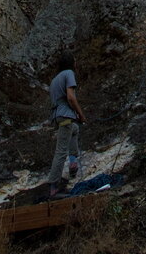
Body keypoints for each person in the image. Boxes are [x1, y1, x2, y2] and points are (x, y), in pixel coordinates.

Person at [47, 51, 87, 198]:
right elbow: (71, 97)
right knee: (61, 150)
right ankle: (53, 187)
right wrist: (81, 114)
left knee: (74, 130)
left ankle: (73, 161)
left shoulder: (55, 80)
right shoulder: (69, 73)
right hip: (65, 117)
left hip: (59, 116)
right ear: (71, 63)